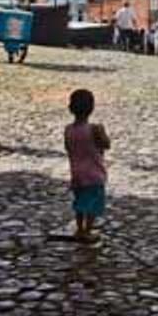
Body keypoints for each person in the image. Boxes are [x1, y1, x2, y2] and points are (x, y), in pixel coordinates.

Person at [64, 89, 111, 243]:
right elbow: (106, 144)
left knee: (80, 202)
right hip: (94, 174)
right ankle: (87, 230)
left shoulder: (68, 130)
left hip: (77, 172)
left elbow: (68, 148)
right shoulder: (94, 129)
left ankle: (79, 228)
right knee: (93, 204)